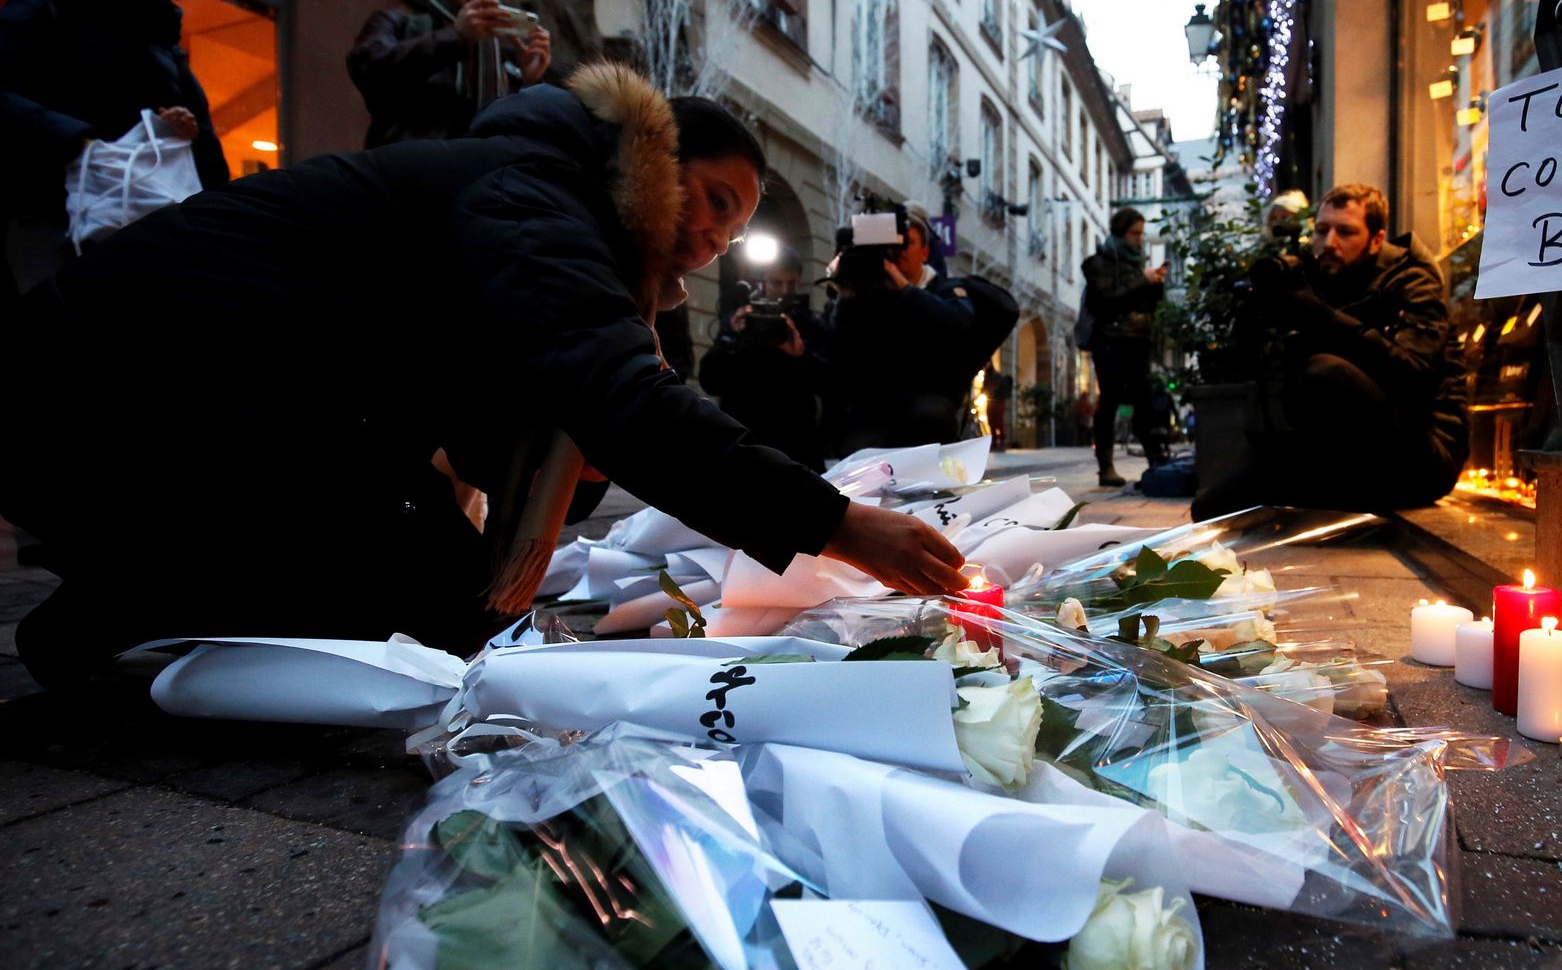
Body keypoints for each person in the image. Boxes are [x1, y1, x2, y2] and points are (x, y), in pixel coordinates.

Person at [0, 61, 966, 686]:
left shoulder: (546, 205)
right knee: (423, 610)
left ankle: (129, 588)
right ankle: (127, 592)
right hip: (113, 392)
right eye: (713, 201)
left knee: (452, 604)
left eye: (734, 225)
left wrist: (579, 451)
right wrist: (838, 524)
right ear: (655, 162)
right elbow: (622, 397)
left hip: (225, 405)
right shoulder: (534, 199)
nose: (715, 238)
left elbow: (488, 421)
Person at [1191, 182, 1468, 517]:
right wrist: (1258, 317)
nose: (1329, 243)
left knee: (1325, 374)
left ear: (1377, 239)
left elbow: (1413, 372)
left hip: (1422, 453)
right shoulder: (1322, 277)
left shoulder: (1413, 280)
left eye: (1346, 232)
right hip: (1341, 447)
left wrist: (1321, 317)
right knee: (1211, 509)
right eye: (1322, 231)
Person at [0, 0, 229, 301]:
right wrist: (75, 140)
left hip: (142, 233)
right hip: (44, 214)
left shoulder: (169, 56)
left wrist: (182, 135)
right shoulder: (40, 12)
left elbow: (211, 165)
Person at [827, 204, 1012, 452]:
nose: (897, 251)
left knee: (930, 414)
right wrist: (846, 296)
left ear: (925, 252)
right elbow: (838, 352)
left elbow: (960, 324)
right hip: (873, 420)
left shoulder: (945, 289)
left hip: (928, 419)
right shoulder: (870, 295)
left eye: (907, 243)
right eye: (891, 244)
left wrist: (905, 289)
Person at [347, 0, 554, 148]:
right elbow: (366, 67)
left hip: (481, 166)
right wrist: (456, 37)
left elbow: (522, 133)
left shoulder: (505, 56)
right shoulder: (399, 23)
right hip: (407, 162)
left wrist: (529, 82)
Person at [699, 246, 832, 470]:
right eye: (777, 283)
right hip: (746, 446)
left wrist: (801, 355)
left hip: (797, 448)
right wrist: (731, 339)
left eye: (791, 284)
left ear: (799, 282)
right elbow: (710, 381)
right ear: (761, 282)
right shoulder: (744, 323)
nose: (784, 291)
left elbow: (831, 386)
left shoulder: (808, 325)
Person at [1083, 207, 1168, 486]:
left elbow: (1148, 304)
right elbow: (1105, 299)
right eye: (1135, 233)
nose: (1139, 239)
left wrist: (1155, 283)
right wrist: (1143, 279)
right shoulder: (1098, 263)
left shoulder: (1135, 263)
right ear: (1120, 232)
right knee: (1109, 401)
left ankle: (1156, 462)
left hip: (1138, 340)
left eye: (1141, 234)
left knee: (1144, 401)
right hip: (1110, 340)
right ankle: (1105, 467)